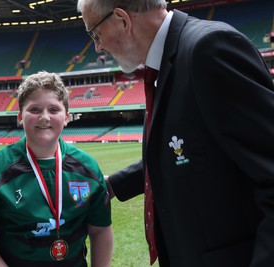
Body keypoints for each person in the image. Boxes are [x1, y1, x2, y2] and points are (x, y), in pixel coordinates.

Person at [77, 0, 274, 267]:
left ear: (123, 20)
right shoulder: (165, 64)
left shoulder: (208, 49)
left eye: (96, 34)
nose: (98, 47)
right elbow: (189, 146)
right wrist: (113, 185)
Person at [0, 71, 113, 267]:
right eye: (34, 109)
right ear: (20, 117)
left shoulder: (88, 167)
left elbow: (100, 230)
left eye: (53, 109)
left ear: (66, 117)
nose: (44, 117)